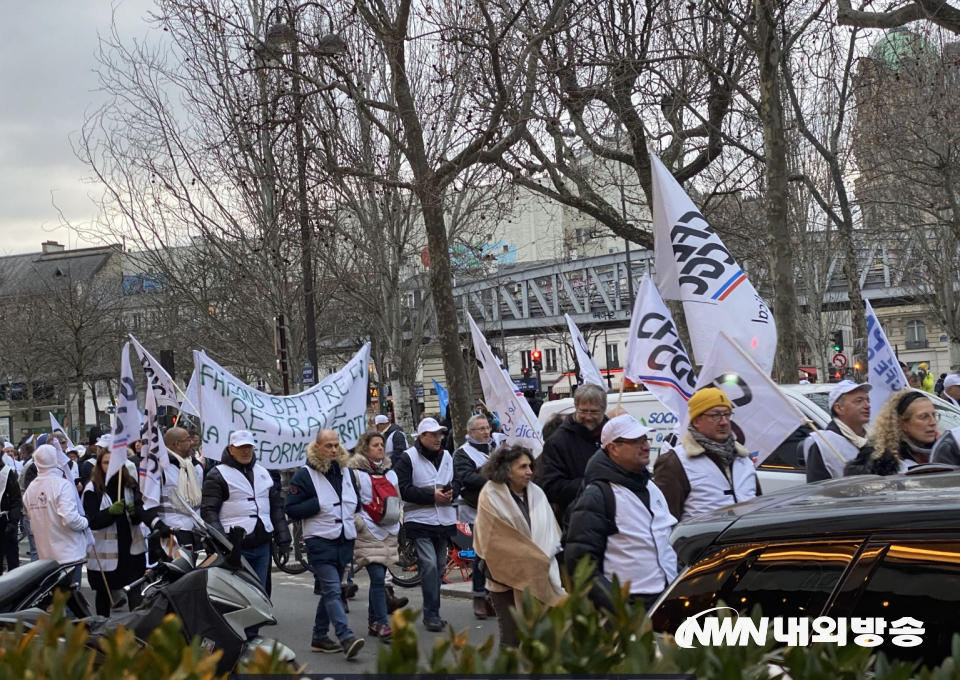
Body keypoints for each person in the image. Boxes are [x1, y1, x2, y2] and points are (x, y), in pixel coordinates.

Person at [564, 415, 678, 613]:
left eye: (645, 440)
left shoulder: (651, 486)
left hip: (665, 597)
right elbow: (580, 563)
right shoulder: (598, 494)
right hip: (629, 605)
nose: (645, 446)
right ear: (613, 448)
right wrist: (618, 606)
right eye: (636, 442)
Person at [474, 444, 565, 649]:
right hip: (505, 580)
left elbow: (551, 533)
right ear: (507, 470)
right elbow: (493, 540)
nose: (529, 471)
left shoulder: (538, 494)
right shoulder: (490, 496)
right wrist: (531, 557)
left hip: (541, 576)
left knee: (541, 639)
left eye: (530, 466)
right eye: (522, 467)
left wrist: (540, 560)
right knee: (512, 639)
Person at [285, 429, 364, 659]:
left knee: (330, 591)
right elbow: (291, 508)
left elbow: (355, 503)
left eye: (336, 445)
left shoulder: (346, 472)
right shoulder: (305, 475)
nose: (333, 449)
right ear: (317, 447)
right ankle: (345, 636)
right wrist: (316, 505)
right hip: (319, 541)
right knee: (332, 589)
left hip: (344, 540)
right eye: (328, 445)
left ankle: (319, 637)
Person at [200, 430, 290, 590]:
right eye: (241, 447)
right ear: (231, 449)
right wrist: (223, 543)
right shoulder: (217, 475)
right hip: (235, 546)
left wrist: (283, 540)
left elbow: (276, 508)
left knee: (261, 592)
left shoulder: (264, 472)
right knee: (238, 594)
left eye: (249, 446)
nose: (246, 450)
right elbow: (209, 511)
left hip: (262, 544)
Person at [654, 387, 760, 522]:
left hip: (748, 541)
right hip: (703, 541)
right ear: (697, 421)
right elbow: (665, 520)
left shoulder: (744, 457)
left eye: (727, 414)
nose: (724, 422)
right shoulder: (675, 462)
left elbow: (759, 504)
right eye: (715, 415)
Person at [394, 417, 460, 632]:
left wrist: (453, 491)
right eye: (432, 435)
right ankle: (431, 613)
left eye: (439, 434)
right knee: (430, 564)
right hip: (420, 520)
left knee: (440, 567)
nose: (438, 439)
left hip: (444, 519)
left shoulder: (447, 456)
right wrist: (431, 495)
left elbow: (458, 480)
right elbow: (402, 488)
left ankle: (433, 610)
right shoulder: (407, 458)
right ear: (421, 437)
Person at [348, 431, 407, 643]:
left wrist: (399, 519)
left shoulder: (390, 472)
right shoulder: (354, 473)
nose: (380, 448)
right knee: (377, 578)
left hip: (388, 531)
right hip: (368, 531)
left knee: (379, 577)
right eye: (375, 445)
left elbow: (398, 498)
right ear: (365, 448)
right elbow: (350, 502)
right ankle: (382, 623)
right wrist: (359, 524)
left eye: (381, 444)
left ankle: (374, 622)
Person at [82, 449, 147, 616]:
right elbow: (92, 521)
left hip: (130, 550)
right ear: (99, 465)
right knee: (103, 593)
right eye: (105, 462)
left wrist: (135, 514)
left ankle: (136, 626)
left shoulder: (130, 483)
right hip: (105, 553)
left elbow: (140, 512)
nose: (110, 466)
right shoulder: (92, 489)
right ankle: (102, 628)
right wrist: (109, 513)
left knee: (134, 590)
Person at [539, 383, 609, 521]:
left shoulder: (614, 435)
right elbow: (552, 487)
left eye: (594, 412)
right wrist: (595, 485)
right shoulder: (557, 442)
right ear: (576, 407)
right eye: (583, 411)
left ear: (603, 409)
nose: (588, 417)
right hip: (578, 519)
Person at [22, 445, 89, 581]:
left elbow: (31, 518)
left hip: (45, 556)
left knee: (54, 601)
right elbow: (70, 519)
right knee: (70, 599)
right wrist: (85, 521)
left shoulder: (31, 489)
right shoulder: (62, 485)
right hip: (68, 554)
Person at [452, 414, 497, 620]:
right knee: (482, 552)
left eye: (487, 427)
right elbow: (467, 478)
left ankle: (494, 595)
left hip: (501, 508)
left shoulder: (498, 446)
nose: (486, 431)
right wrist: (496, 478)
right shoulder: (462, 454)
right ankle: (480, 595)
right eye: (481, 429)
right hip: (476, 508)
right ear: (470, 432)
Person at [143, 427, 204, 554]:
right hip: (172, 534)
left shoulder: (195, 466)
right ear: (177, 444)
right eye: (188, 439)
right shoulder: (159, 468)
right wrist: (160, 527)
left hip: (197, 532)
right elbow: (143, 502)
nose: (192, 442)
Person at [847, 390, 937, 475]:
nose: (933, 422)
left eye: (934, 415)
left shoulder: (942, 452)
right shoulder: (878, 459)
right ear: (902, 423)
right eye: (924, 416)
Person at [803, 381, 873, 482]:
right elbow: (818, 491)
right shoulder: (823, 444)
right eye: (859, 401)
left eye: (868, 400)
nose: (867, 406)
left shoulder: (877, 438)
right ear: (839, 408)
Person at [0, 451, 23, 575]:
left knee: (12, 555)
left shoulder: (7, 472)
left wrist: (13, 521)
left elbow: (16, 499)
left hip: (5, 520)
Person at [17, 441, 38, 561]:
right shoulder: (31, 466)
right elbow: (30, 491)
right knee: (37, 550)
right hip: (31, 513)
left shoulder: (30, 464)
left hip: (30, 512)